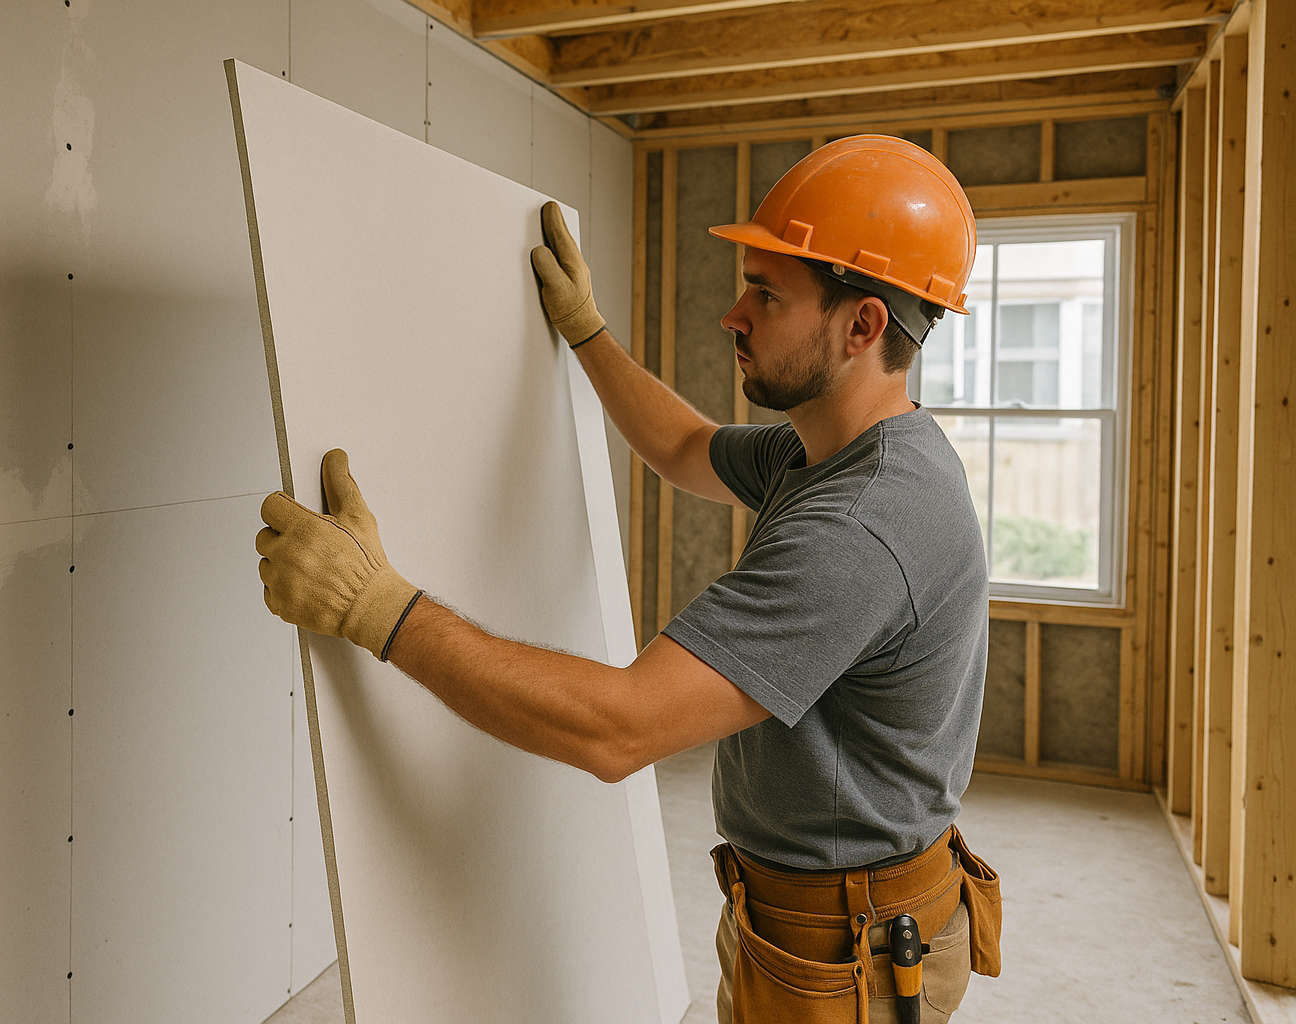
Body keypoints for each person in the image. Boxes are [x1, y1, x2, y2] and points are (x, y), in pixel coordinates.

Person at [255, 135, 1002, 1024]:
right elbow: (687, 447)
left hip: (848, 951)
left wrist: (373, 605)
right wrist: (588, 333)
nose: (733, 314)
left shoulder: (861, 524)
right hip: (816, 919)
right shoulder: (838, 453)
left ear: (862, 326)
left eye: (766, 294)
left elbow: (620, 728)